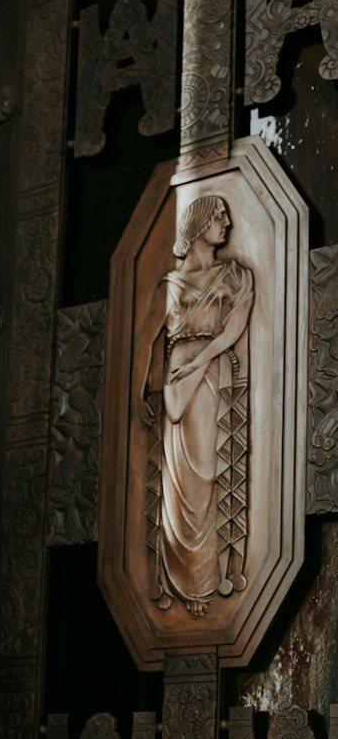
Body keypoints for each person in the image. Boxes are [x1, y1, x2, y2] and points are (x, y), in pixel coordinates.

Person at [136, 195, 253, 617]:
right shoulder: (170, 284)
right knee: (180, 485)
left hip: (210, 374)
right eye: (217, 215)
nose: (225, 221)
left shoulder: (235, 274)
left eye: (225, 213)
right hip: (178, 388)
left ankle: (212, 576)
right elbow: (148, 340)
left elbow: (233, 328)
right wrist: (143, 393)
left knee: (210, 475)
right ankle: (185, 583)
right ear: (199, 222)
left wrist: (200, 363)